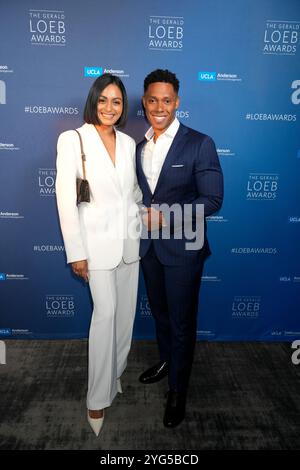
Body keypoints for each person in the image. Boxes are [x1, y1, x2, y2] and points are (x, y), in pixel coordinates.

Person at [136, 69, 223, 427]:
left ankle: (178, 390)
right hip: (150, 250)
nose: (160, 107)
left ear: (177, 102)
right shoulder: (140, 146)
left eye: (167, 100)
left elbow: (213, 200)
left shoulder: (199, 143)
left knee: (183, 322)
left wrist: (166, 218)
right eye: (153, 100)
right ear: (144, 102)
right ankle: (167, 360)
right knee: (161, 315)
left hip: (184, 249)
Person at [55, 74, 141, 436]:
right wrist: (77, 251)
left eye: (117, 101)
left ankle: (115, 376)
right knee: (105, 316)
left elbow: (132, 191)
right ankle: (96, 398)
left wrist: (146, 214)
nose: (109, 108)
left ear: (123, 107)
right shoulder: (73, 139)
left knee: (124, 319)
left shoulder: (128, 142)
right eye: (103, 100)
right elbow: (65, 199)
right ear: (94, 101)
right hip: (95, 247)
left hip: (129, 243)